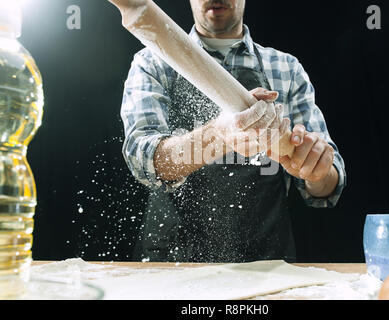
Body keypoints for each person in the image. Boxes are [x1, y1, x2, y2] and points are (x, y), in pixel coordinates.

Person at [121, 0, 346, 263]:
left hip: (265, 266)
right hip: (174, 264)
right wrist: (220, 135)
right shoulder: (154, 61)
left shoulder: (286, 68)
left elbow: (328, 186)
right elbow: (143, 159)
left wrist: (315, 168)